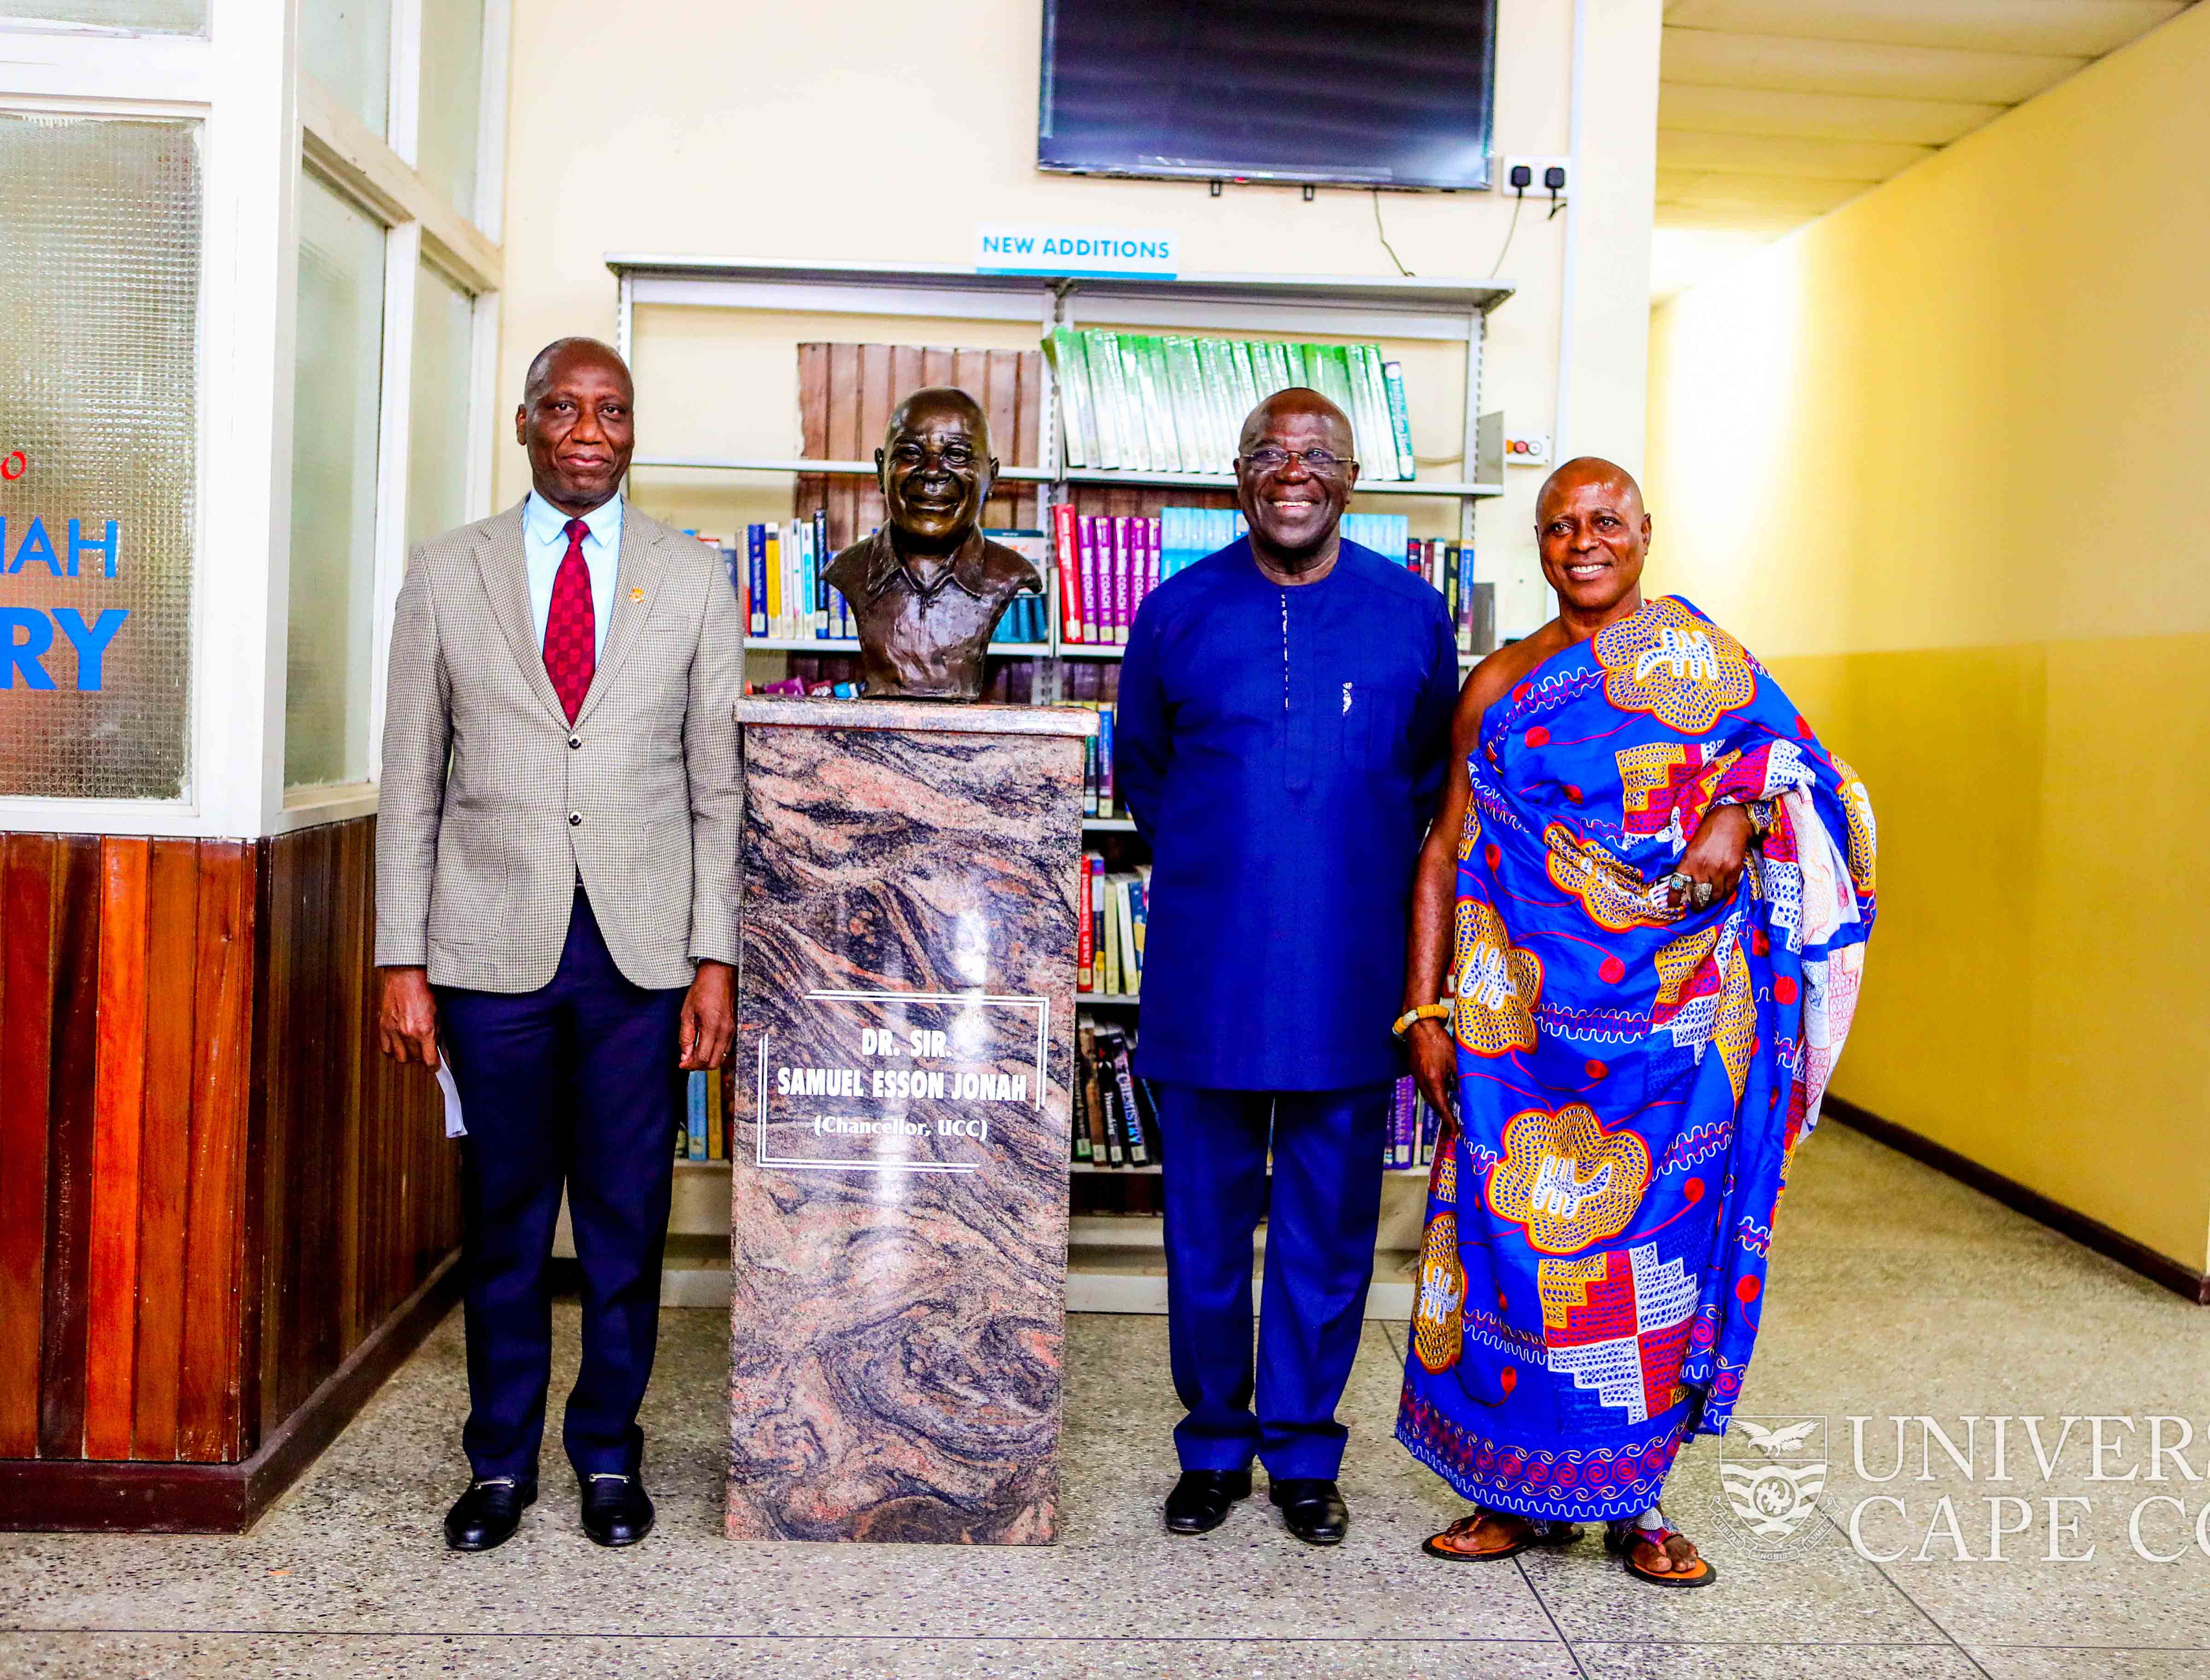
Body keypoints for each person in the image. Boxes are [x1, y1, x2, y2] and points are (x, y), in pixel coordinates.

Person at [1393, 457, 1876, 1584]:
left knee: (1653, 1264)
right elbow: (1440, 852)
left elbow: (1813, 774)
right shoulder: (1501, 682)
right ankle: (1502, 1489)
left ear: (1646, 533)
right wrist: (1423, 1009)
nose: (1583, 541)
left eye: (1605, 521)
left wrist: (1739, 805)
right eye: (1559, 526)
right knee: (1508, 1251)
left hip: (1677, 1039)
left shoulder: (1704, 665)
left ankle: (1638, 1499)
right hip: (1519, 1035)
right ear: (1538, 542)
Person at [374, 337, 743, 1553]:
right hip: (489, 954)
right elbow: (410, 779)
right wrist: (400, 960)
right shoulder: (446, 574)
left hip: (638, 962)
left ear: (633, 432)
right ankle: (496, 1467)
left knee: (630, 1220)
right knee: (506, 1220)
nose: (590, 431)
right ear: (526, 424)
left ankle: (605, 1460)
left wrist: (713, 961)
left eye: (614, 412)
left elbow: (714, 790)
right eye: (566, 410)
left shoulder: (692, 579)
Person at [1115, 389, 1459, 1546]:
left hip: (1349, 980)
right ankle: (1213, 1444)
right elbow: (1147, 779)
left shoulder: (1412, 616)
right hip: (1209, 976)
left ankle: (1305, 1454)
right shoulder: (1172, 613)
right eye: (1269, 454)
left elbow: (1425, 790)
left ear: (1351, 477)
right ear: (1238, 474)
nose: (1292, 472)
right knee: (1204, 1232)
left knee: (1327, 1231)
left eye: (1316, 456)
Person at [821, 386, 1043, 700]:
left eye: (957, 455)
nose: (932, 472)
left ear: (991, 478)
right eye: (910, 453)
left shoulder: (1008, 575)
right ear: (880, 470)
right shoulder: (849, 570)